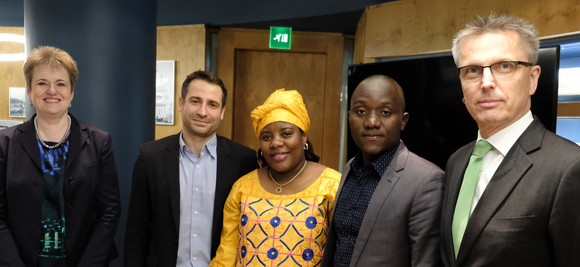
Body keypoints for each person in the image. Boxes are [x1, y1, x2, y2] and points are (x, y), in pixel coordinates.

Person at [440, 13, 580, 267]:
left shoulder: (569, 168)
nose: (486, 83)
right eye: (472, 70)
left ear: (533, 78)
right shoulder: (457, 161)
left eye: (505, 66)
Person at [0, 46, 121, 266]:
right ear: (29, 90)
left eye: (61, 84)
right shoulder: (4, 144)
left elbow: (109, 213)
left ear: (72, 92)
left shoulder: (99, 142)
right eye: (42, 83)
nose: (51, 91)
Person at [124, 70, 258, 266]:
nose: (203, 112)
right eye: (195, 101)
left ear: (222, 112)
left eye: (212, 104)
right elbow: (136, 233)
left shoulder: (243, 161)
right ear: (181, 103)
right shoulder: (150, 157)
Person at [321, 75, 445, 267]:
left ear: (403, 121)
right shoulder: (349, 168)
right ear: (349, 117)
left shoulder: (426, 181)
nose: (371, 122)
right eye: (361, 111)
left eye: (385, 112)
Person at [209, 88, 341, 266]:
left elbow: (343, 254)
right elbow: (227, 254)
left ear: (303, 138)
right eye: (266, 136)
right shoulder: (243, 187)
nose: (276, 143)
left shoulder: (332, 186)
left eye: (286, 133)